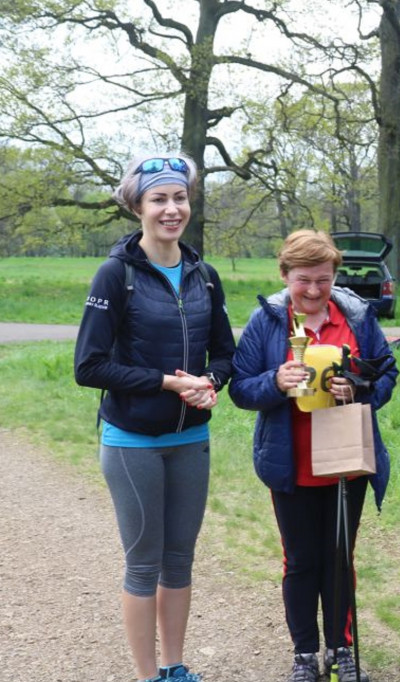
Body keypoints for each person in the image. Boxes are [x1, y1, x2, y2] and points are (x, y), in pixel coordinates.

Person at [74, 154, 236, 682]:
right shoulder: (115, 273)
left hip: (191, 440)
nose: (172, 209)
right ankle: (147, 677)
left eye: (179, 197)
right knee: (144, 565)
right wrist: (168, 383)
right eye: (159, 199)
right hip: (132, 441)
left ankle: (175, 668)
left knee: (180, 562)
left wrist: (211, 384)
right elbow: (89, 367)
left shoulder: (204, 275)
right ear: (137, 206)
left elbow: (225, 355)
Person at [229, 229, 396, 682]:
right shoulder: (266, 322)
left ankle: (341, 648)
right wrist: (275, 383)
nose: (314, 290)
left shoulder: (357, 317)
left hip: (346, 462)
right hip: (292, 463)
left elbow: (386, 373)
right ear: (284, 275)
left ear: (334, 277)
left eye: (323, 280)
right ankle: (305, 652)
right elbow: (240, 388)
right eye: (303, 280)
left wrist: (358, 388)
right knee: (301, 561)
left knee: (339, 558)